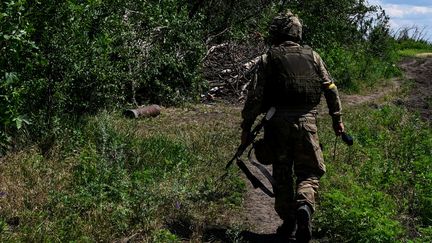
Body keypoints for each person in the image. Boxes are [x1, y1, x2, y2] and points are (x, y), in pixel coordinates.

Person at [240, 10, 344, 242]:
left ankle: (288, 221)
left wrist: (246, 127)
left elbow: (255, 98)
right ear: (298, 33)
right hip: (307, 123)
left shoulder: (268, 59)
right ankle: (304, 206)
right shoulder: (313, 56)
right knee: (309, 171)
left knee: (282, 172)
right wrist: (337, 119)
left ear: (276, 32)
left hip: (276, 125)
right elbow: (330, 88)